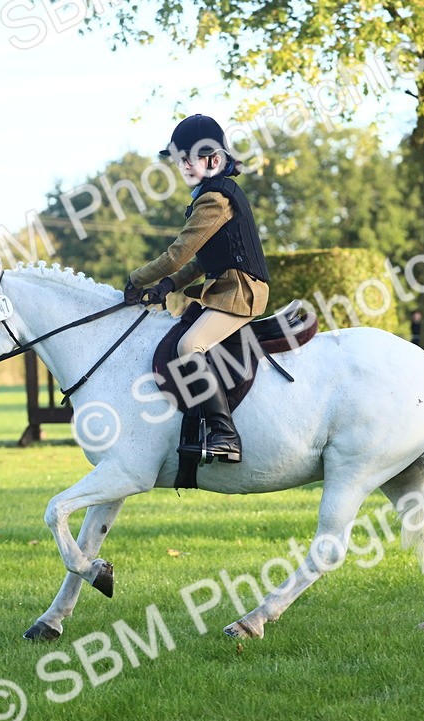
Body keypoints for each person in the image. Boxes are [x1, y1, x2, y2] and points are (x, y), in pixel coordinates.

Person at [125, 114, 269, 463]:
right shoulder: (210, 194)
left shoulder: (214, 200)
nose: (183, 166)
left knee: (190, 345)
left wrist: (137, 278)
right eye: (180, 160)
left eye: (188, 158)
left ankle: (225, 435)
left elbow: (177, 254)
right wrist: (169, 285)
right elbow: (200, 261)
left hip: (241, 292)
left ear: (213, 159)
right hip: (225, 288)